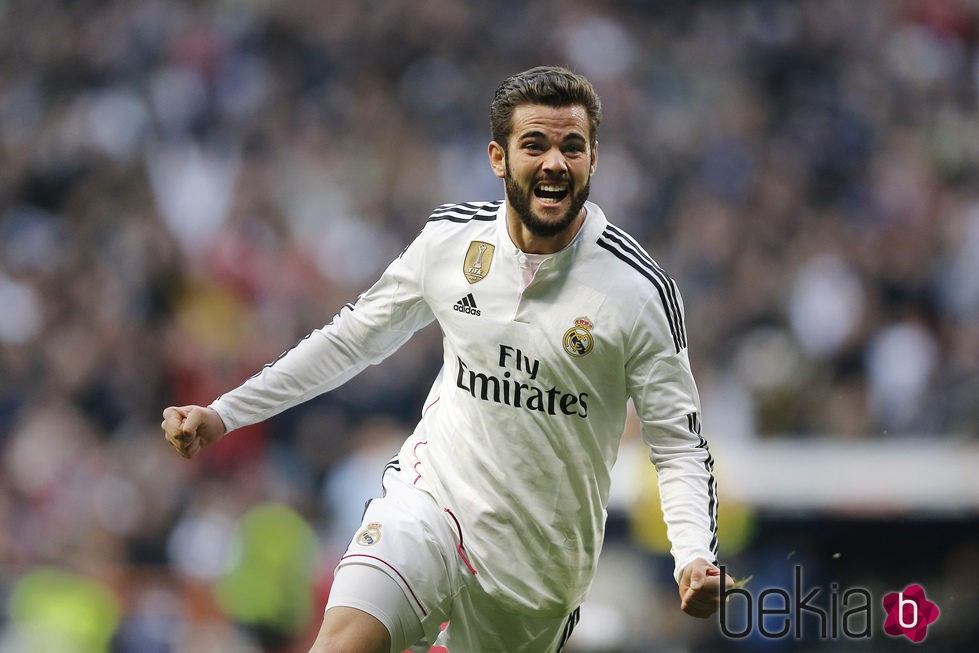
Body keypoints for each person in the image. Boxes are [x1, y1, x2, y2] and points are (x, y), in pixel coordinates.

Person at [162, 65, 730, 653]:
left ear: (593, 160)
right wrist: (224, 414)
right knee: (343, 642)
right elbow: (350, 339)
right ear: (498, 158)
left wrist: (693, 553)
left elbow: (677, 443)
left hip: (537, 567)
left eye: (572, 146)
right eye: (534, 144)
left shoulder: (637, 292)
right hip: (430, 504)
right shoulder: (449, 244)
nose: (555, 162)